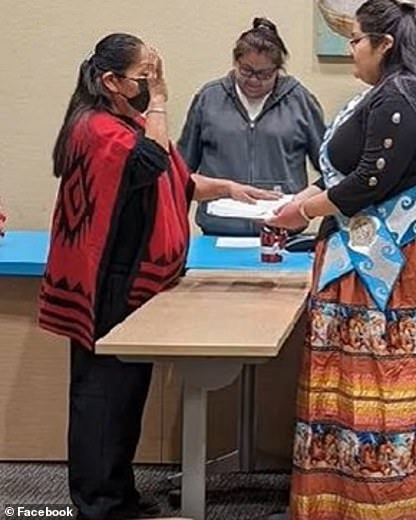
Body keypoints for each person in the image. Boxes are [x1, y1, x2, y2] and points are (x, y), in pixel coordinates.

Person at [37, 33, 276, 520]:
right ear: (111, 82)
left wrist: (228, 187)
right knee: (102, 397)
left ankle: (118, 494)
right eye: (146, 76)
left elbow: (176, 177)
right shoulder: (96, 129)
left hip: (132, 278)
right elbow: (148, 163)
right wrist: (163, 102)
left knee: (126, 396)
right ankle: (97, 505)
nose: (154, 84)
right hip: (107, 278)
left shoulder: (123, 123)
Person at [268, 0, 416, 520]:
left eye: (355, 40)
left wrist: (302, 210)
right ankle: (349, 502)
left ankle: (379, 507)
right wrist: (304, 200)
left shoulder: (402, 94)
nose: (351, 50)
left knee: (382, 386)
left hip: (392, 265)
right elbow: (352, 174)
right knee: (376, 386)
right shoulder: (406, 90)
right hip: (389, 256)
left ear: (384, 44)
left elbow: (368, 181)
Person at [178, 17, 325, 236]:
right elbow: (182, 170)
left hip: (282, 230)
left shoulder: (299, 100)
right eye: (246, 71)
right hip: (218, 229)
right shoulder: (209, 98)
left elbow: (328, 168)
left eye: (265, 74)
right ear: (235, 63)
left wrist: (304, 206)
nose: (254, 80)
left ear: (278, 70)